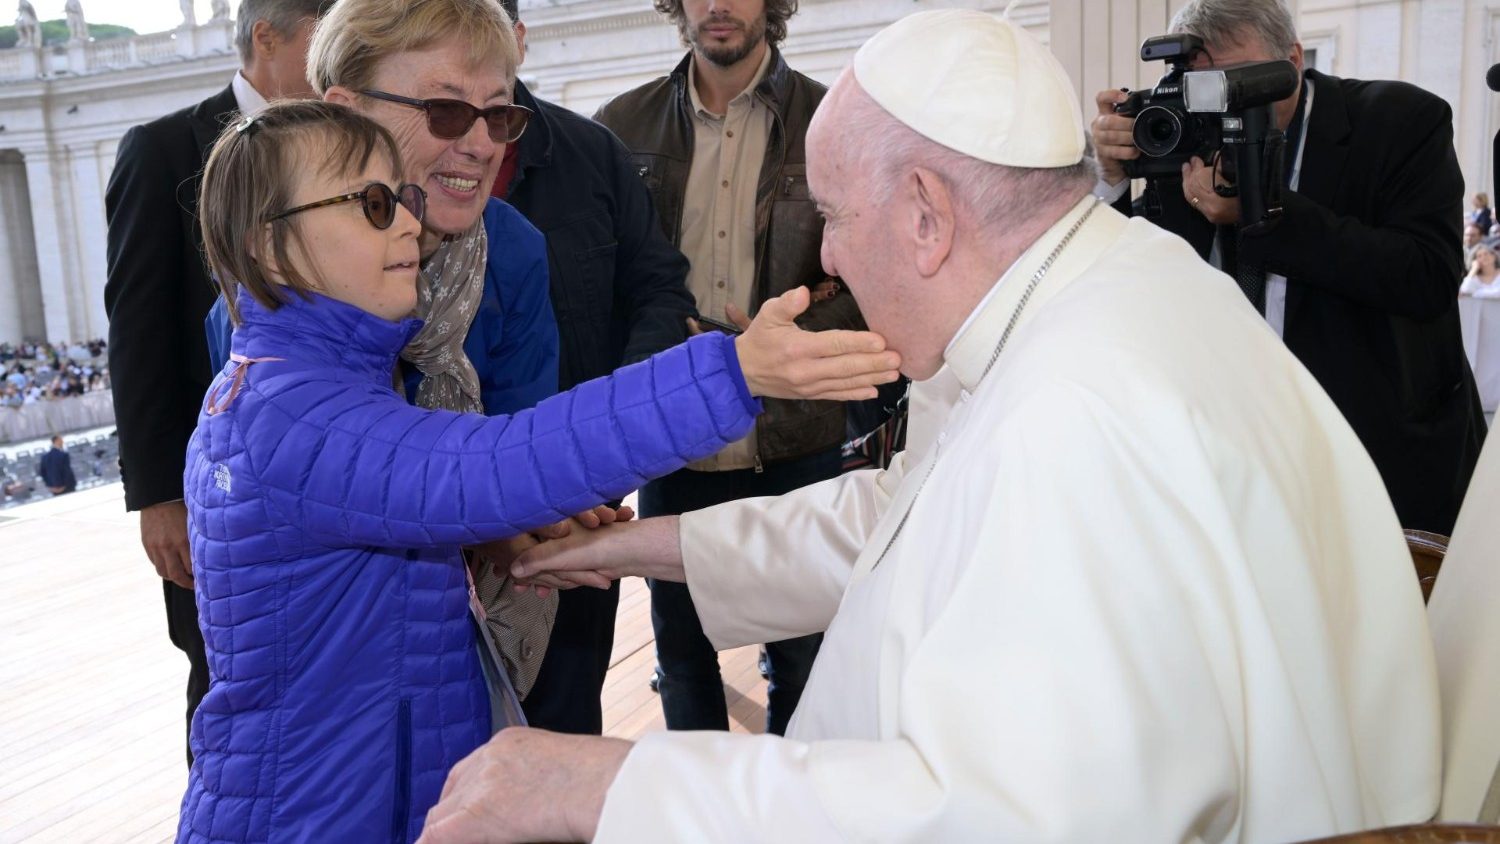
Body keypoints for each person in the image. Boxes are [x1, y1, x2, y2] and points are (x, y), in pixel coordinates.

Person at [417, 11, 1441, 843]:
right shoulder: (1098, 290)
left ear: (925, 214)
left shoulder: (1077, 414)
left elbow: (1006, 819)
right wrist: (636, 545)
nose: (828, 259)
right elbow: (909, 519)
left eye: (833, 212)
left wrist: (611, 785)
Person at [179, 99, 897, 843]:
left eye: (403, 199)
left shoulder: (324, 386)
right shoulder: (288, 413)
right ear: (268, 247)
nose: (408, 225)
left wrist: (515, 530)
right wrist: (730, 373)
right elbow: (488, 468)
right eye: (372, 204)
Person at [1089, 0, 1482, 536]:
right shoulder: (1187, 134)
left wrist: (1263, 214)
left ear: (1292, 59)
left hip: (1373, 449)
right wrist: (1111, 180)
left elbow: (1427, 277)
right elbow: (1131, 288)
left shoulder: (1400, 121)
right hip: (1232, 454)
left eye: (1238, 78)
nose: (1222, 99)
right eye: (1205, 84)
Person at [594, 0, 866, 737]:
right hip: (671, 434)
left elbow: (872, 277)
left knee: (804, 661)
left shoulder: (833, 120)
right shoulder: (621, 127)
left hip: (793, 435)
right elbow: (605, 279)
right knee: (681, 659)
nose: (718, 5)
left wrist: (795, 334)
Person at [102, 0, 328, 766]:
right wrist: (158, 495)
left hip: (329, 477)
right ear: (266, 36)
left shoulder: (345, 139)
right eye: (322, 41)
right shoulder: (162, 151)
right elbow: (138, 334)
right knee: (229, 685)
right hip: (218, 490)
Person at [486, 0, 699, 734]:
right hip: (436, 532)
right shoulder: (375, 178)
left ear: (517, 37)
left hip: (581, 505)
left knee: (566, 720)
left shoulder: (592, 152)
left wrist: (611, 447)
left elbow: (660, 292)